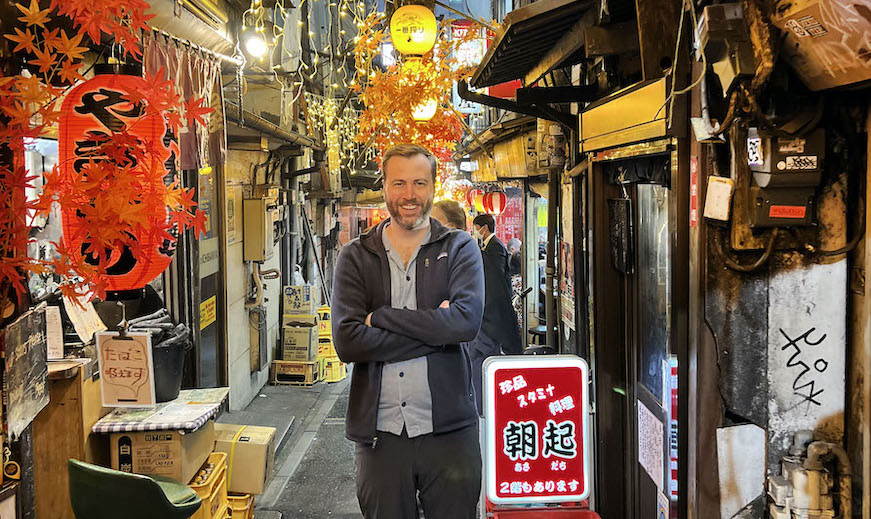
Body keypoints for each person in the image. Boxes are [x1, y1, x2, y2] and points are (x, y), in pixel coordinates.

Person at [332, 144, 485, 519]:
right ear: (384, 187)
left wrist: (380, 317)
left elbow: (465, 322)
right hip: (380, 435)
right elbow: (348, 341)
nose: (409, 195)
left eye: (419, 182)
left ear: (433, 186)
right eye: (398, 183)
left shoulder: (460, 247)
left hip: (449, 431)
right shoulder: (355, 255)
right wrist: (436, 330)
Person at [467, 214, 523, 412]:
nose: (474, 231)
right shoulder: (490, 248)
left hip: (490, 324)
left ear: (483, 228)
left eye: (475, 227)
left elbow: (496, 290)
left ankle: (487, 410)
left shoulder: (494, 249)